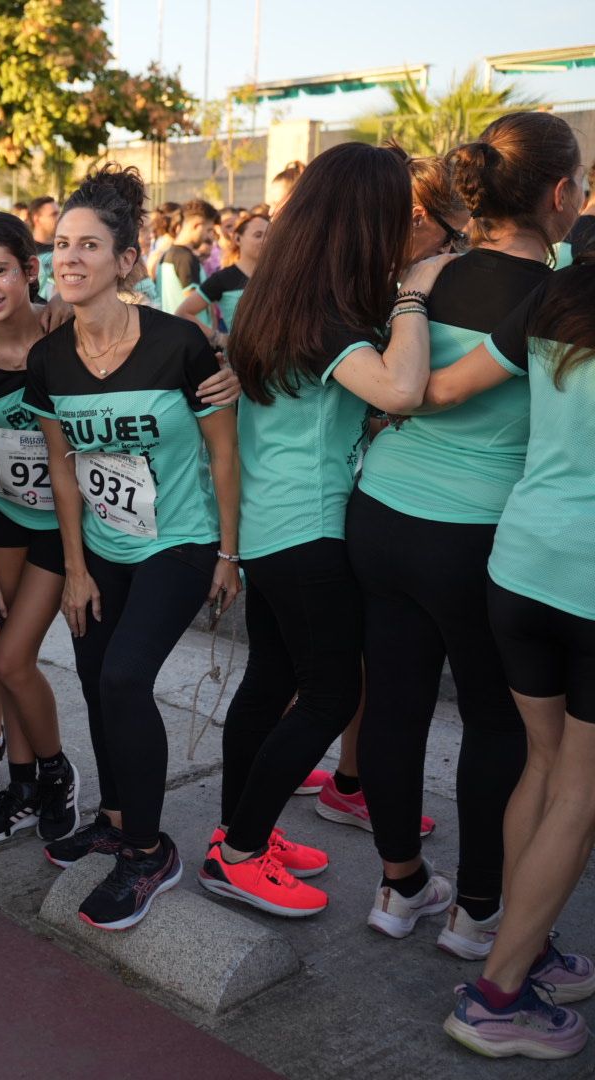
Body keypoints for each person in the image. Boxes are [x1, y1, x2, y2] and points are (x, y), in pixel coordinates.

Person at [350, 112, 584, 950]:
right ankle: (478, 908)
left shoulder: (422, 273)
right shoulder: (557, 296)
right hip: (478, 535)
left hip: (379, 513)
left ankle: (397, 885)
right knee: (499, 728)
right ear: (561, 194)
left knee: (397, 704)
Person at [212, 142, 454, 918]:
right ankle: (240, 851)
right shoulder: (326, 317)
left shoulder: (275, 297)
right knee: (326, 697)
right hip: (309, 531)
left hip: (270, 527)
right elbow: (402, 389)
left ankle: (236, 834)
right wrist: (415, 294)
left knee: (271, 685)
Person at [25, 165, 243, 930]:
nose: (70, 258)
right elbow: (61, 466)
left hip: (181, 542)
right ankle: (116, 817)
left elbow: (223, 453)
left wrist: (228, 553)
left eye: (90, 245)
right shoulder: (49, 361)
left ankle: (150, 852)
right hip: (103, 549)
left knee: (123, 678)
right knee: (93, 678)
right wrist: (75, 570)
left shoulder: (179, 344)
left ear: (126, 260)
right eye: (60, 245)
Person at [419, 259, 595, 1060]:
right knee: (580, 793)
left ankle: (528, 945)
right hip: (585, 579)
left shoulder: (561, 291)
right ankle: (497, 993)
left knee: (545, 765)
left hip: (521, 559)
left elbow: (451, 385)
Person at [0, 212, 80, 839]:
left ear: (30, 270)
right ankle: (23, 783)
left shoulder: (68, 336)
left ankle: (55, 774)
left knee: (12, 657)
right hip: (5, 525)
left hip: (68, 527)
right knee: (8, 657)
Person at [174, 209, 268, 349]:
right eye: (258, 235)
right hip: (243, 362)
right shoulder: (223, 278)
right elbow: (183, 312)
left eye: (270, 235)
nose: (265, 241)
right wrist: (217, 337)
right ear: (237, 239)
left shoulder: (277, 276)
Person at [155, 200, 217, 331]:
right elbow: (192, 307)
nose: (209, 236)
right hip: (191, 338)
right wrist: (214, 337)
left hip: (174, 335)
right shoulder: (186, 258)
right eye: (209, 229)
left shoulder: (167, 254)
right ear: (197, 225)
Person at [28, 195, 58, 298]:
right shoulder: (26, 250)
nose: (59, 218)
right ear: (37, 219)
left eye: (59, 213)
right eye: (54, 214)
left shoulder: (64, 247)